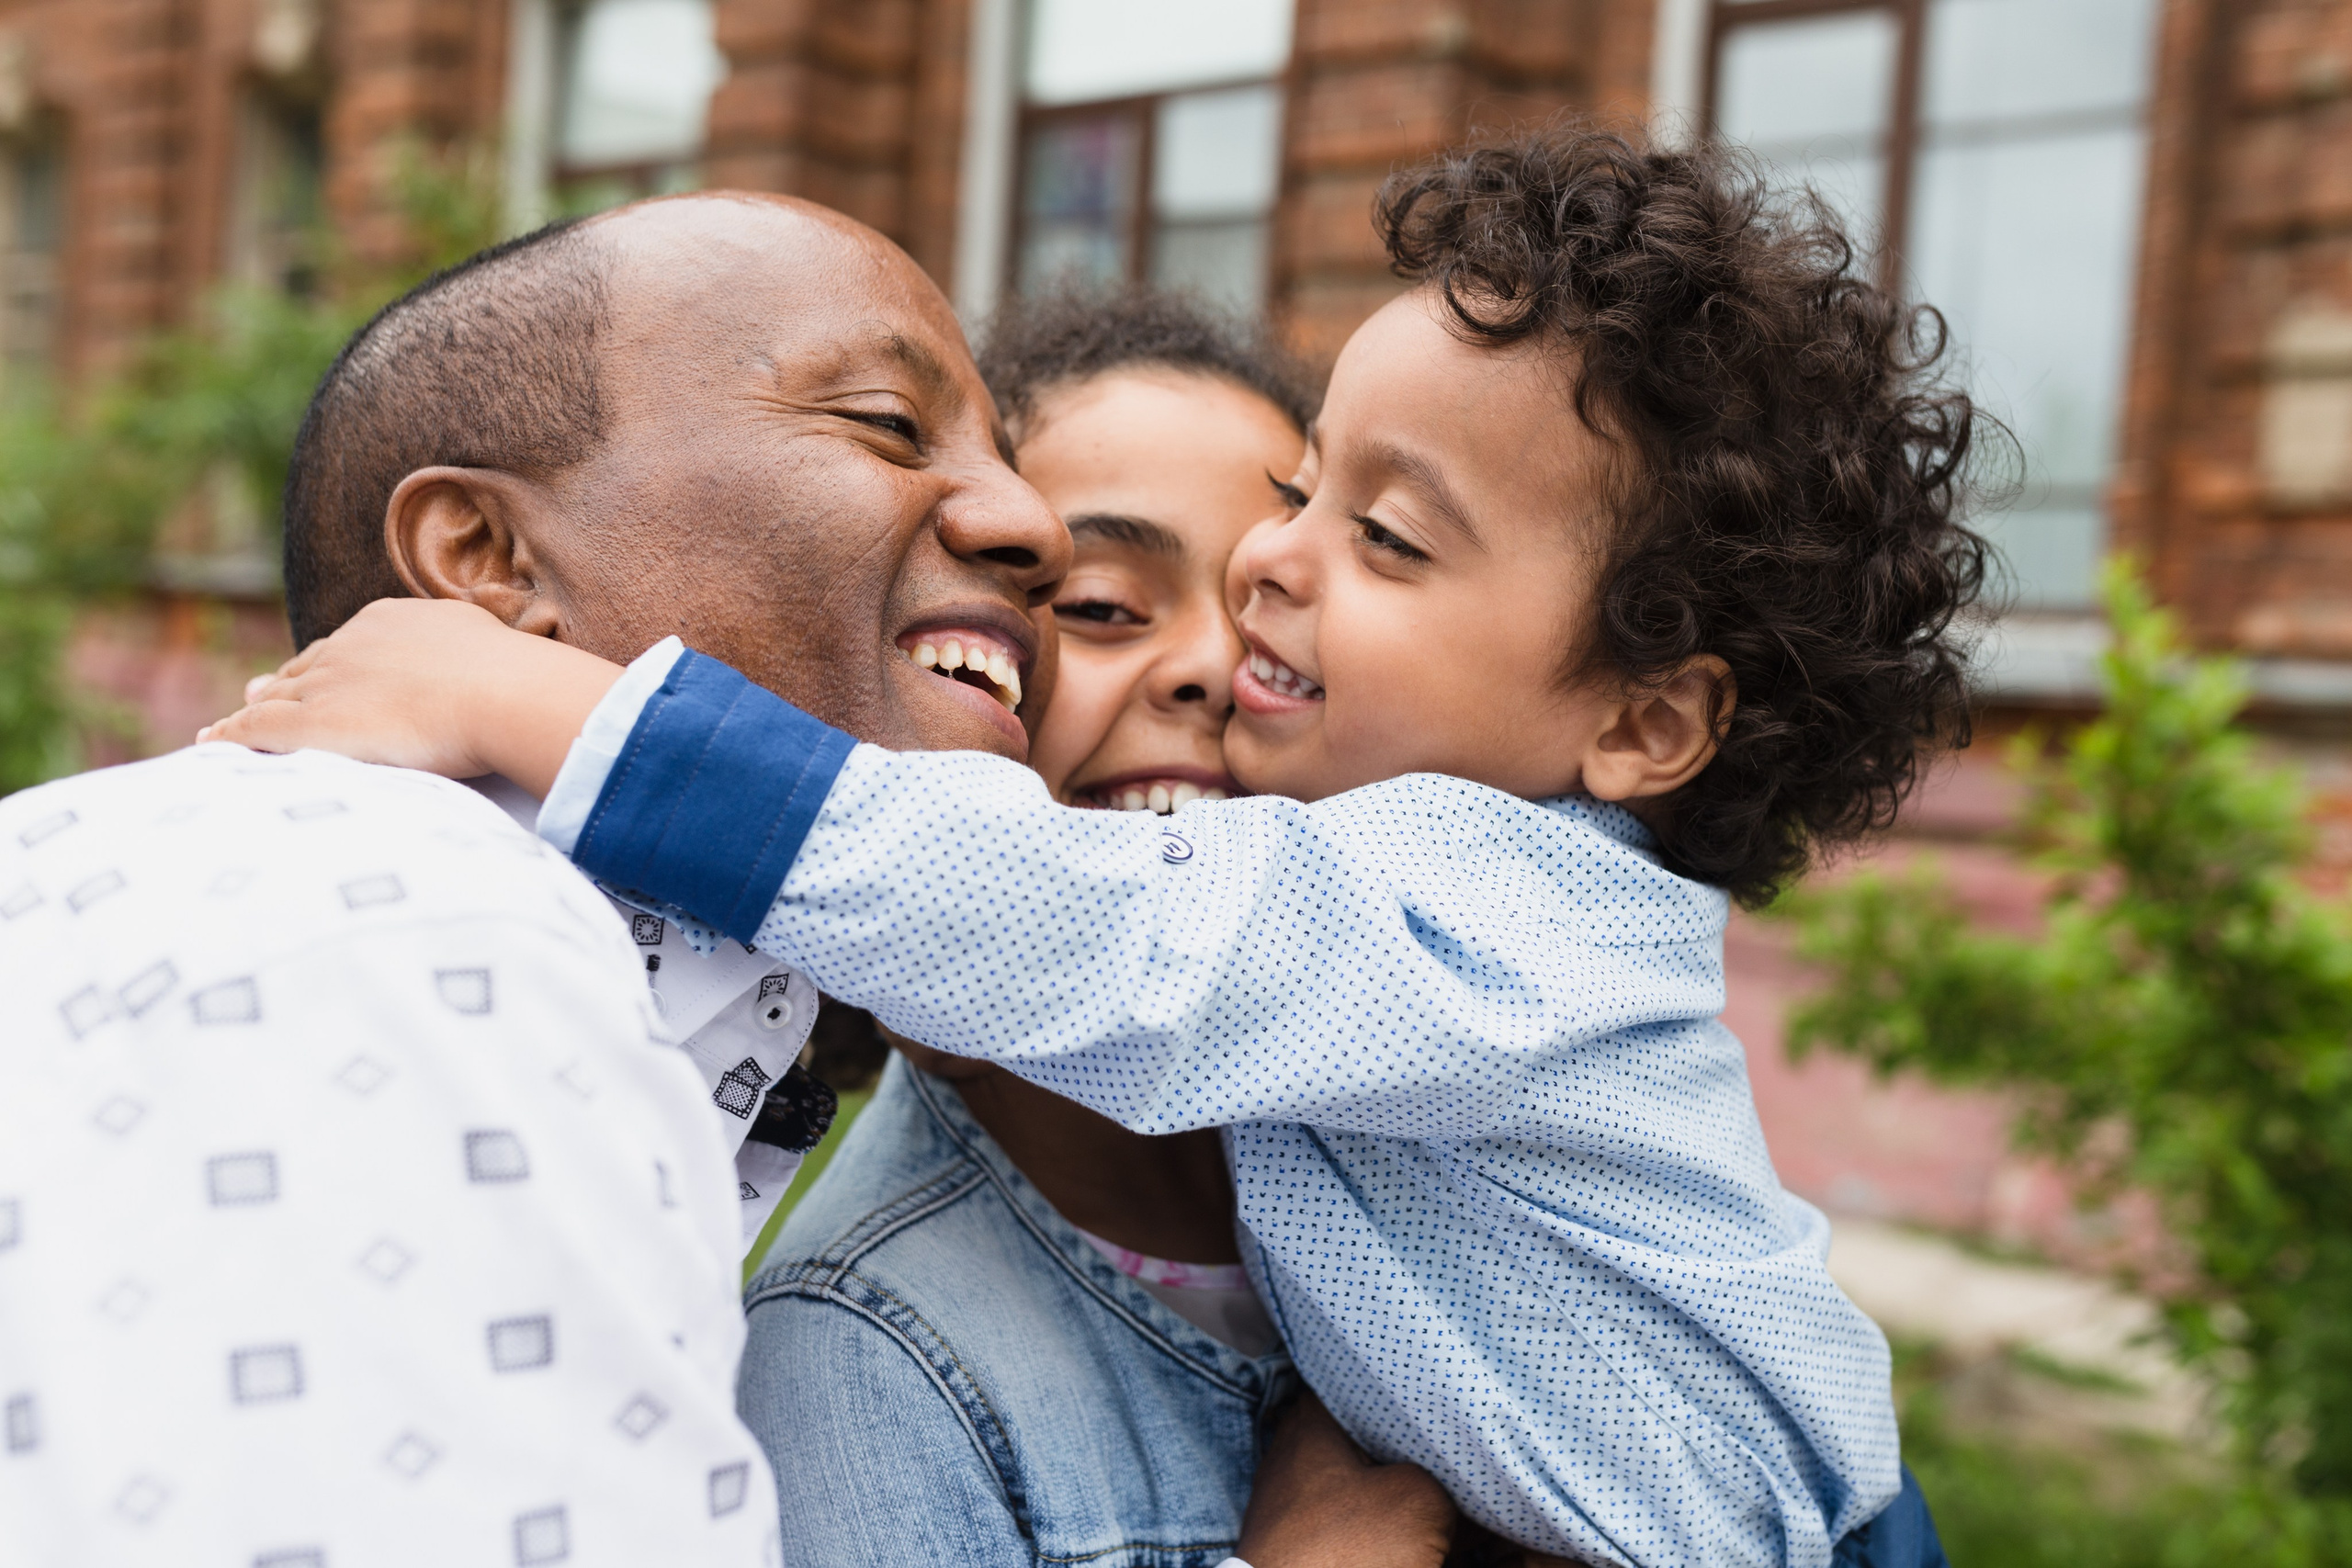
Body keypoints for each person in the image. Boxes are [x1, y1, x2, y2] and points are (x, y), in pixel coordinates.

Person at [208, 128, 1981, 1565]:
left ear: (1646, 727)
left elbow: (1066, 922)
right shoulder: (891, 1361)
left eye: (1383, 535)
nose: (1258, 590)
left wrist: (550, 713)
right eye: (1302, 498)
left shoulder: (1490, 906)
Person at [7, 193, 1439, 1566]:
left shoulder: (582, 1008)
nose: (1030, 528)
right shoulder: (404, 951)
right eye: (888, 424)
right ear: (488, 558)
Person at [736, 288, 1325, 1566]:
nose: (1216, 668)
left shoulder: (1451, 1142)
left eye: (1284, 613)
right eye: (1109, 605)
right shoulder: (855, 1353)